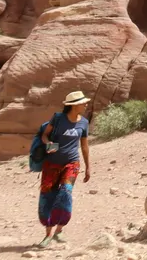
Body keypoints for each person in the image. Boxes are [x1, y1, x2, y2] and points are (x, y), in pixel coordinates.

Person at [37, 90, 92, 248]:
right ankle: (48, 234)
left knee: (66, 192)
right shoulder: (58, 118)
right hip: (51, 164)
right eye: (83, 102)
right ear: (74, 105)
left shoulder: (84, 123)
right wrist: (48, 144)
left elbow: (84, 145)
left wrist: (88, 167)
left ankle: (59, 230)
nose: (86, 104)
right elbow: (44, 135)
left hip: (72, 164)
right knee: (48, 196)